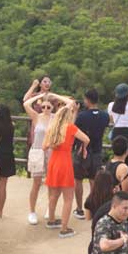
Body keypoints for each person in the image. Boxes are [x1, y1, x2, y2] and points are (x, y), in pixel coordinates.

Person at [44, 97, 88, 238]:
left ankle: (51, 220)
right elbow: (86, 139)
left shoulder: (52, 128)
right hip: (65, 161)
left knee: (53, 194)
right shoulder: (70, 128)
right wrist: (84, 148)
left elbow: (44, 146)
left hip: (53, 161)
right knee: (68, 198)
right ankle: (64, 228)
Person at [21, 80, 57, 225]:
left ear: (52, 107)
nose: (46, 108)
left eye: (48, 106)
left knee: (51, 183)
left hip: (51, 152)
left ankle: (50, 208)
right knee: (36, 183)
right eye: (43, 106)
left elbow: (70, 105)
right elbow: (25, 103)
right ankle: (32, 211)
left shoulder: (56, 118)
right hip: (37, 150)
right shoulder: (36, 117)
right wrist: (41, 96)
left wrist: (52, 95)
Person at [73, 89, 110, 218]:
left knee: (78, 180)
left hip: (82, 150)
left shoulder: (82, 116)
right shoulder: (105, 116)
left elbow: (73, 129)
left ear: (87, 100)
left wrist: (76, 112)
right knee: (94, 181)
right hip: (97, 151)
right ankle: (94, 208)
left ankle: (79, 209)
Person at [107, 83, 128, 161]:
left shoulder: (111, 105)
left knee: (117, 158)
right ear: (127, 95)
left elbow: (111, 120)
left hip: (117, 132)